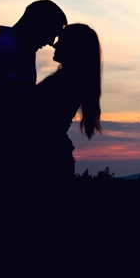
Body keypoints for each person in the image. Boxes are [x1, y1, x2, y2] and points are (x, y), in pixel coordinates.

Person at [0, 0, 67, 177]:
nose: (50, 42)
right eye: (51, 33)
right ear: (38, 23)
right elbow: (16, 107)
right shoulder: (7, 50)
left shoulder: (15, 49)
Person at [29, 23, 102, 182]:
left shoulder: (65, 83)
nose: (55, 44)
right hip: (53, 158)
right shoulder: (72, 80)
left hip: (46, 162)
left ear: (73, 47)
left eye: (61, 40)